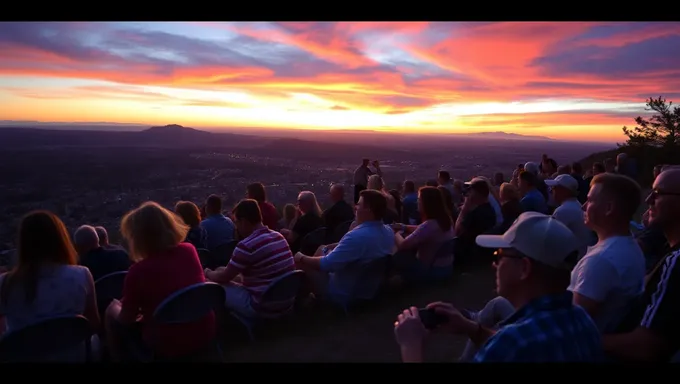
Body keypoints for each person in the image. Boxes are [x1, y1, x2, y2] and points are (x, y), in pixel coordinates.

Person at [393, 212, 602, 362]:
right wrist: (471, 329)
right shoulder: (583, 321)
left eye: (499, 255)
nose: (494, 264)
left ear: (524, 268)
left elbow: (515, 346)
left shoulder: (513, 342)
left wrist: (411, 346)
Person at [105, 202, 215, 361]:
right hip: (205, 331)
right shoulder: (189, 250)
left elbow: (126, 319)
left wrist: (114, 308)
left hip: (168, 343)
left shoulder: (138, 271)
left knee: (111, 311)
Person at [0, 211, 100, 360]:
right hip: (75, 357)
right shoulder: (81, 275)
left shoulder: (5, 284)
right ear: (60, 239)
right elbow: (94, 324)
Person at [603, 168, 680, 362]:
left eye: (658, 194)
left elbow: (646, 345)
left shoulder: (676, 261)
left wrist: (577, 338)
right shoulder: (668, 250)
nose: (648, 201)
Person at [569, 173, 645, 333]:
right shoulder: (628, 246)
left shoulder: (602, 260)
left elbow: (573, 324)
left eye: (589, 200)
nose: (583, 206)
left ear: (609, 208)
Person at [294, 190, 395, 305]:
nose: (355, 208)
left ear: (369, 210)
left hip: (343, 292)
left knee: (303, 263)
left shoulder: (356, 236)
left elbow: (326, 264)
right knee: (322, 249)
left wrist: (301, 257)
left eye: (359, 204)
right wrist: (330, 247)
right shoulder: (388, 231)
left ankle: (298, 304)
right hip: (368, 289)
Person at [205, 199, 295, 318]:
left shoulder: (246, 246)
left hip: (263, 307)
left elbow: (223, 277)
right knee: (222, 269)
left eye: (236, 222)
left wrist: (207, 272)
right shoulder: (278, 236)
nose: (236, 227)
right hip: (287, 302)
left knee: (212, 285)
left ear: (244, 222)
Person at [392, 186, 455, 282]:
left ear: (427, 203)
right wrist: (403, 227)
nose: (417, 202)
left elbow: (402, 245)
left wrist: (395, 232)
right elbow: (420, 229)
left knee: (399, 255)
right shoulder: (445, 221)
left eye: (419, 199)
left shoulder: (429, 225)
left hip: (431, 272)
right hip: (446, 269)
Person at [544, 174, 593, 259]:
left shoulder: (562, 211)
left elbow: (552, 241)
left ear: (563, 190)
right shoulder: (576, 204)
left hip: (574, 260)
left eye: (554, 188)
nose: (551, 191)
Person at [454, 178, 497, 263]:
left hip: (469, 255)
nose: (468, 194)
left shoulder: (474, 214)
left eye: (471, 191)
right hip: (483, 252)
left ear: (476, 194)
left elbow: (457, 231)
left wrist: (464, 210)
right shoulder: (491, 210)